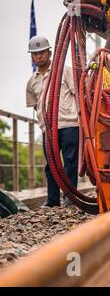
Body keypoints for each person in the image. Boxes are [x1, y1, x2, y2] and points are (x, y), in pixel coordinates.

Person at [26, 36, 79, 207]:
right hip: (48, 129)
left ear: (49, 52)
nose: (39, 56)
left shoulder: (64, 71)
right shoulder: (32, 81)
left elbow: (77, 93)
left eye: (42, 52)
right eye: (35, 54)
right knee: (51, 165)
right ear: (32, 57)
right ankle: (53, 200)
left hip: (69, 124)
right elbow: (35, 105)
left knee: (70, 162)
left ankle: (70, 198)